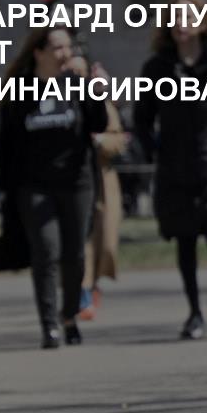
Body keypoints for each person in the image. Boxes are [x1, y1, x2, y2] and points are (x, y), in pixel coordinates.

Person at [135, 0, 207, 339]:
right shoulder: (157, 68)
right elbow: (142, 118)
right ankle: (194, 312)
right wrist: (153, 150)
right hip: (175, 166)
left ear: (203, 24)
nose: (180, 24)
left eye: (187, 17)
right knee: (185, 240)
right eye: (174, 18)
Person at [0, 27, 108, 348]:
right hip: (36, 186)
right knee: (46, 251)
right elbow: (7, 145)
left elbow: (98, 124)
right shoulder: (20, 90)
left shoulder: (77, 85)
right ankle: (49, 325)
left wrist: (97, 92)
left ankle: (69, 315)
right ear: (39, 52)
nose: (65, 53)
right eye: (57, 47)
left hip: (77, 183)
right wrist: (9, 189)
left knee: (74, 255)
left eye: (68, 47)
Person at [64, 56, 128, 321]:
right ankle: (82, 290)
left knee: (105, 241)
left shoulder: (101, 104)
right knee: (80, 240)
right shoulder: (59, 103)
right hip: (71, 180)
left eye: (81, 72)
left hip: (101, 179)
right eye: (72, 72)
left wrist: (99, 140)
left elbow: (118, 140)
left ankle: (93, 283)